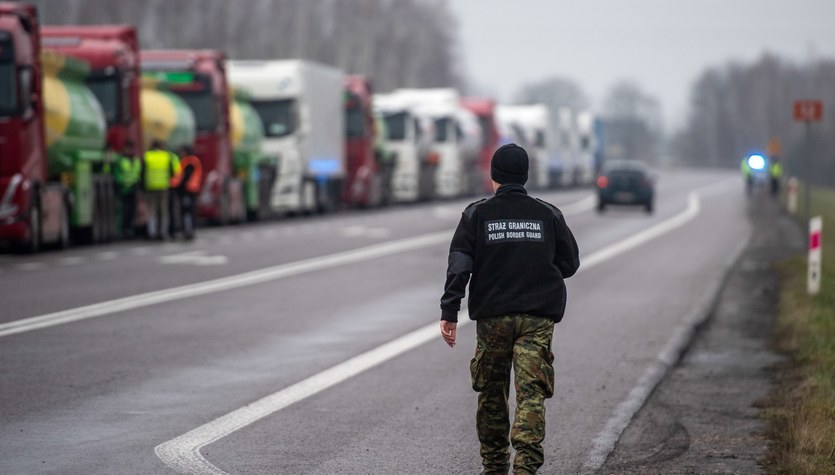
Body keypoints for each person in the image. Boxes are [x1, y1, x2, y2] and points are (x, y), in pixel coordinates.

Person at [439, 143, 580, 475]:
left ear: (494, 177)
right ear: (526, 176)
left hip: (493, 318)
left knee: (491, 392)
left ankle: (494, 467)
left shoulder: (477, 214)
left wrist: (449, 312)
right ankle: (526, 468)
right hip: (537, 318)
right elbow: (570, 263)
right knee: (531, 394)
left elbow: (459, 266)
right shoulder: (549, 214)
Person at [143, 140, 180, 240]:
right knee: (164, 212)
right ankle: (164, 232)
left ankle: (152, 232)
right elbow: (173, 172)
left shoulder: (147, 156)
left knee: (152, 211)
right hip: (164, 187)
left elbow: (142, 172)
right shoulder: (166, 156)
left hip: (150, 187)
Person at [170, 145, 203, 240]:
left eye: (182, 152)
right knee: (188, 211)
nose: (180, 154)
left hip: (187, 190)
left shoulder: (189, 162)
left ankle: (188, 231)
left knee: (187, 212)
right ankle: (189, 230)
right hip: (190, 190)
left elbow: (183, 177)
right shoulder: (190, 161)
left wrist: (174, 184)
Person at [112, 140, 142, 238]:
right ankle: (123, 229)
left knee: (132, 211)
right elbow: (117, 175)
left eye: (130, 148)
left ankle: (130, 229)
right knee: (124, 210)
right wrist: (123, 183)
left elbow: (139, 173)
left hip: (134, 189)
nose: (128, 151)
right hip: (124, 190)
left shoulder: (136, 160)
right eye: (126, 148)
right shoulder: (121, 160)